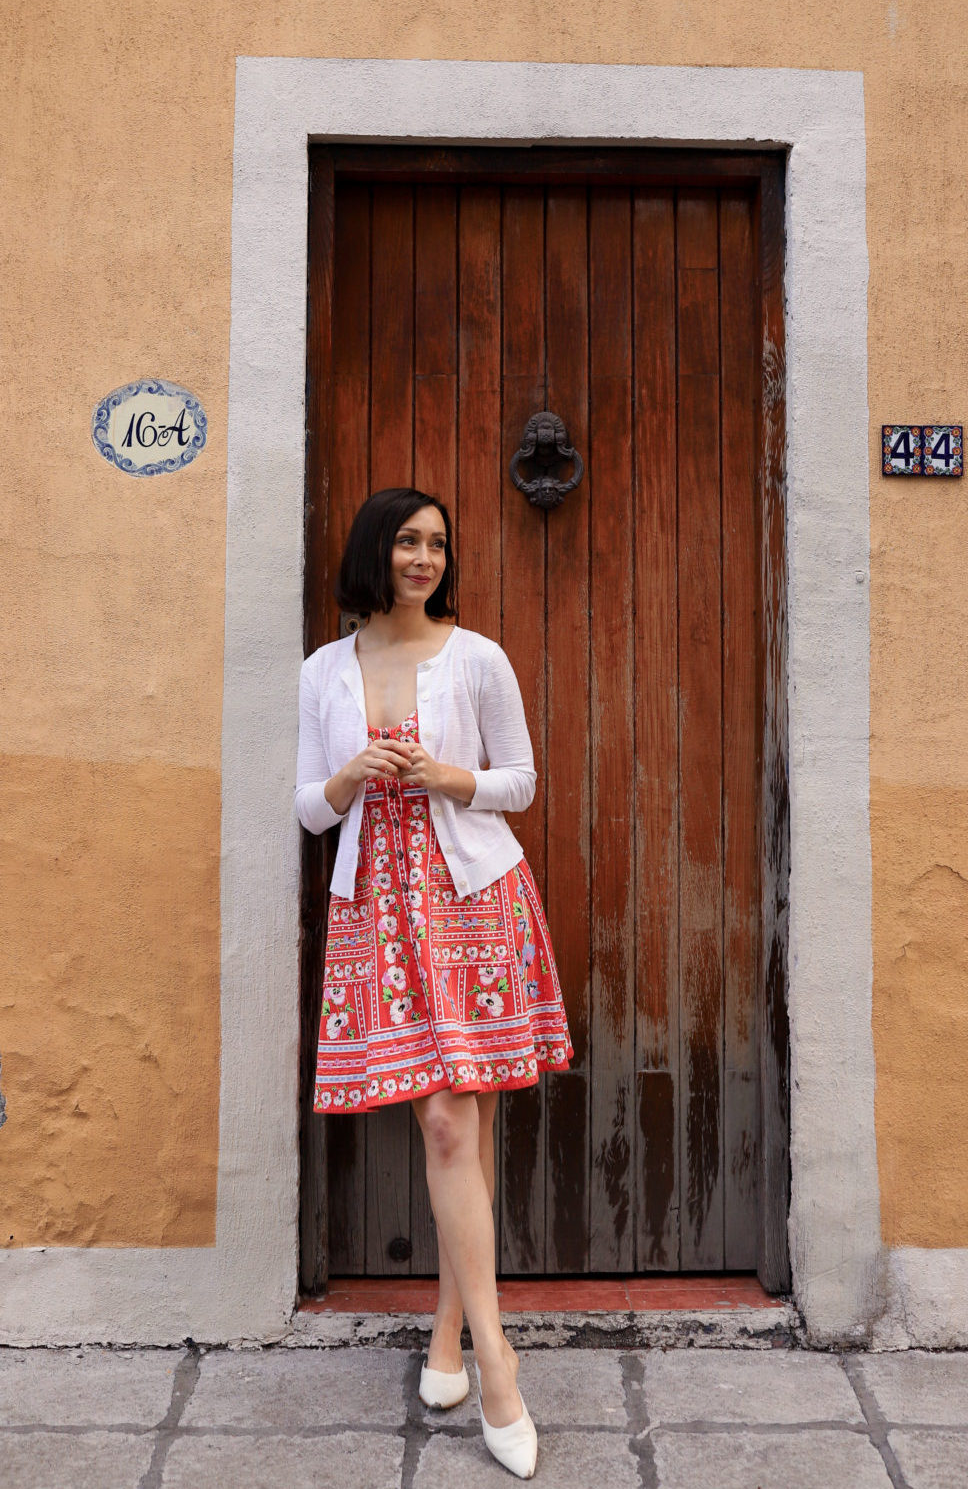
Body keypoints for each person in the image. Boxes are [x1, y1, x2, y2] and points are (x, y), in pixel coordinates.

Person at [295, 486, 574, 1479]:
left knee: (459, 1123)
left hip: (474, 901)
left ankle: (483, 1356)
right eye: (409, 542)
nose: (425, 559)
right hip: (378, 909)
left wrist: (447, 778)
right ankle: (457, 1340)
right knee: (456, 1127)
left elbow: (522, 781)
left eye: (438, 545)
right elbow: (309, 807)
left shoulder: (476, 655)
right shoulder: (327, 668)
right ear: (376, 549)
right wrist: (352, 776)